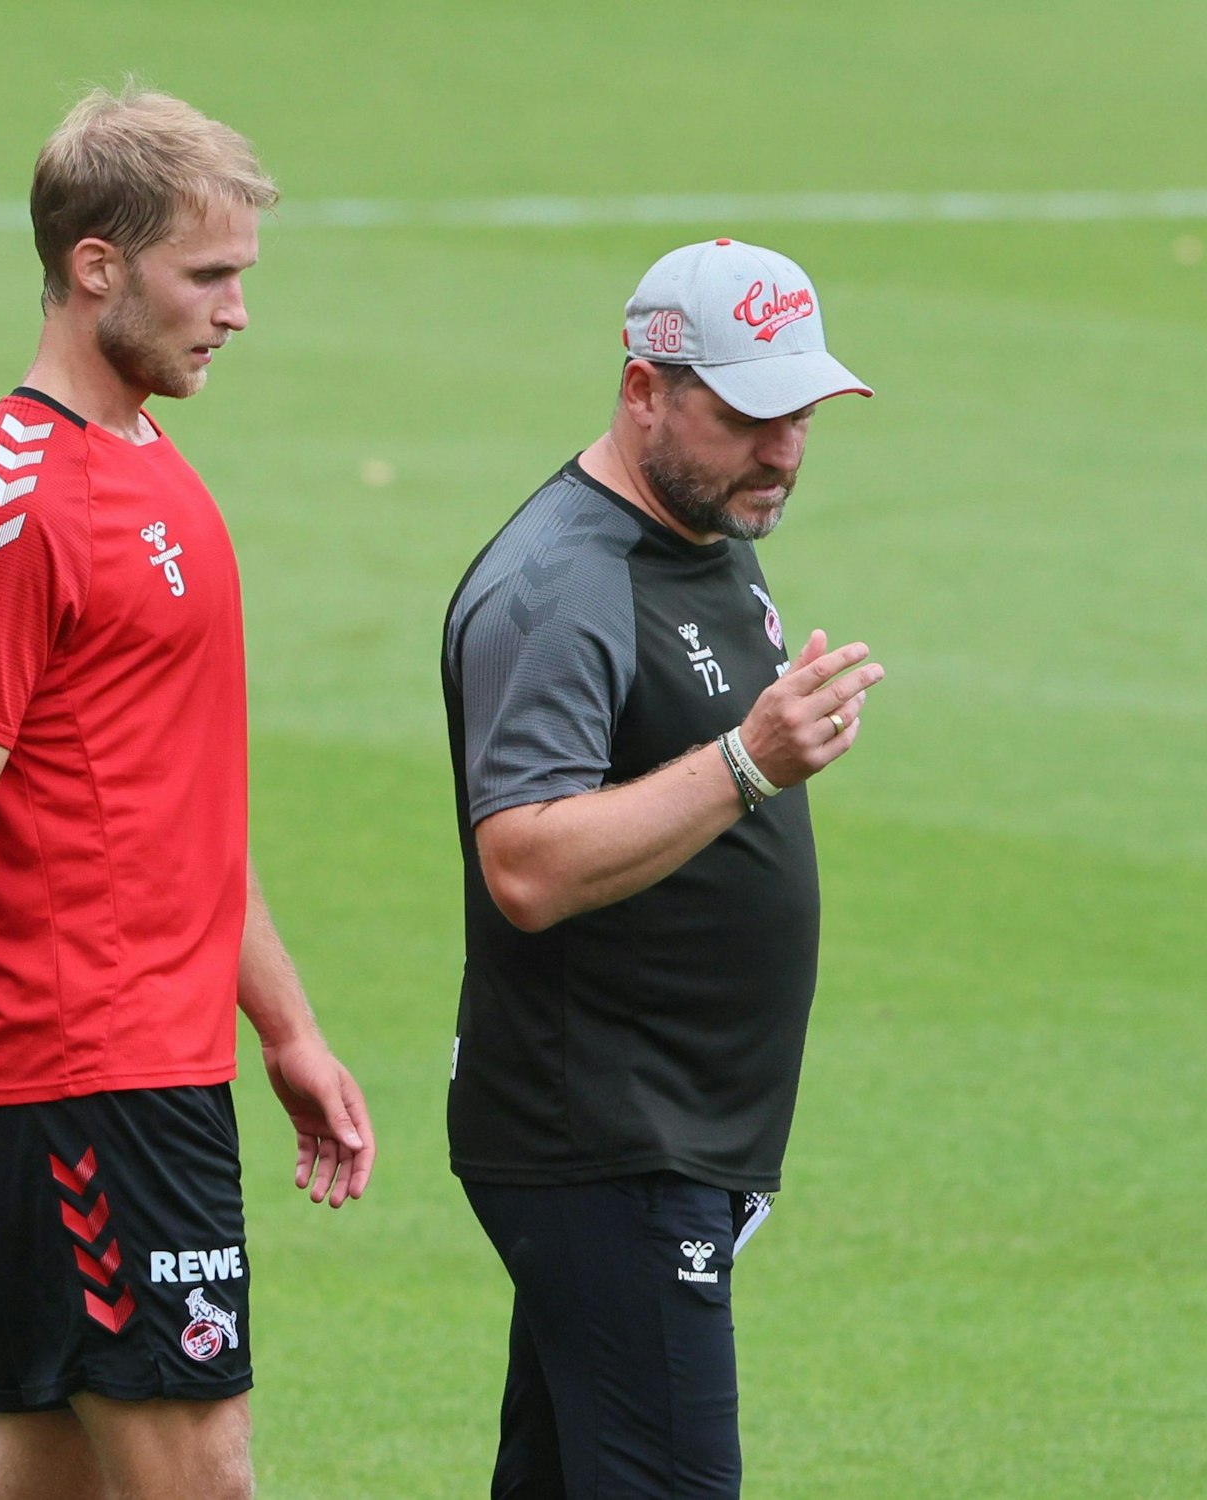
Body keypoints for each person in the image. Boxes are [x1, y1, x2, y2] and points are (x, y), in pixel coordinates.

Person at [0, 87, 375, 1500]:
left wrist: (287, 1026)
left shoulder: (147, 464)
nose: (237, 313)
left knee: (50, 1477)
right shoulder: (8, 509)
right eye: (209, 276)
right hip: (89, 1073)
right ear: (98, 267)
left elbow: (172, 804)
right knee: (202, 1476)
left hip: (163, 1055)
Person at [440, 237, 882, 1497]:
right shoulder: (560, 586)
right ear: (643, 392)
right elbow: (522, 862)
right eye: (748, 415)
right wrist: (747, 761)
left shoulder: (701, 524)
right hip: (608, 1147)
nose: (784, 449)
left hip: (661, 1134)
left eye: (799, 410)